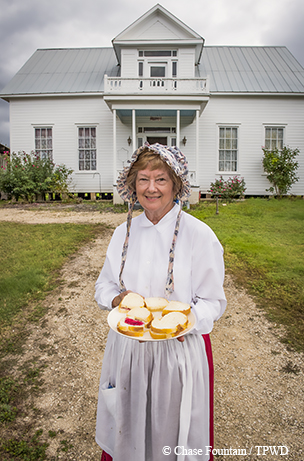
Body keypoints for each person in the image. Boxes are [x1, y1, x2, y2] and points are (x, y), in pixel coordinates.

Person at [94, 143, 226, 461]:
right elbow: (103, 285)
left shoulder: (199, 235)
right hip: (128, 350)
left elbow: (213, 301)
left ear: (176, 184)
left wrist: (185, 320)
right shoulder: (122, 233)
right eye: (143, 179)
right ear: (132, 185)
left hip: (178, 353)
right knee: (129, 427)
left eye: (161, 179)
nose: (151, 188)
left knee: (170, 432)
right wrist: (116, 298)